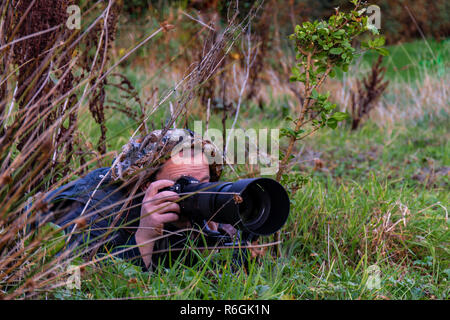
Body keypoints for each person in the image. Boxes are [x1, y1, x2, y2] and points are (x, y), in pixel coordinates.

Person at [39, 129, 248, 271]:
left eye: (203, 183)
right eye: (184, 184)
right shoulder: (96, 207)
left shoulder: (202, 204)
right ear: (146, 185)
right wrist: (143, 238)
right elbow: (85, 282)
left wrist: (216, 241)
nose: (196, 194)